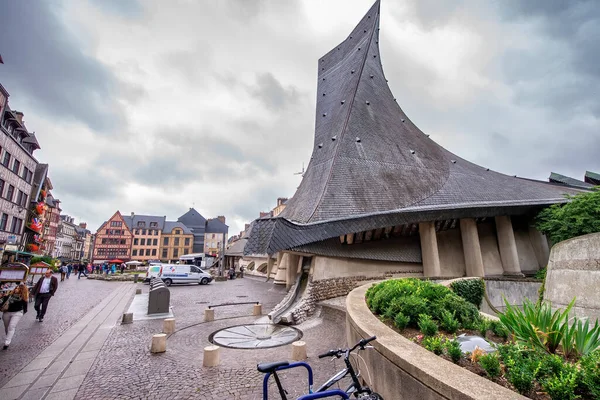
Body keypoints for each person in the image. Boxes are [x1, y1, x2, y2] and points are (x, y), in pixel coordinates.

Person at [1, 283, 28, 350]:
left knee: (11, 326)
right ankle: (8, 337)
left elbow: (25, 307)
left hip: (17, 313)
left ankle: (7, 342)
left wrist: (22, 313)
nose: (16, 289)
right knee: (7, 327)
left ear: (22, 290)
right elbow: (2, 303)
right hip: (7, 312)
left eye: (18, 289)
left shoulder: (22, 298)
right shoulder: (9, 296)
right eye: (16, 288)